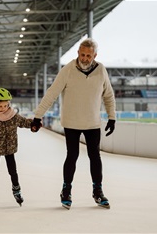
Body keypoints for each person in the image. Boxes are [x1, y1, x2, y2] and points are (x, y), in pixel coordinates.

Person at [31, 38, 116, 209]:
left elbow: (108, 95)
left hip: (92, 123)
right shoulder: (68, 70)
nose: (85, 58)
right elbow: (52, 93)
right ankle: (66, 190)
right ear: (78, 53)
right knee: (72, 155)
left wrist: (112, 117)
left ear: (95, 55)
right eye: (82, 54)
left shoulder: (101, 71)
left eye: (89, 56)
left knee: (95, 157)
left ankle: (97, 191)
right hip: (71, 122)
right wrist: (38, 116)